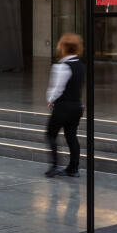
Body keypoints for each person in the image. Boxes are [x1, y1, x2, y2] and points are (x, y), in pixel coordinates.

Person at [45, 33, 84, 178]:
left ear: (62, 47)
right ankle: (73, 168)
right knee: (71, 136)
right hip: (77, 107)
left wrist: (50, 99)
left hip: (63, 107)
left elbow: (57, 88)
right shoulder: (80, 65)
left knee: (50, 135)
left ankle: (54, 166)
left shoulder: (61, 67)